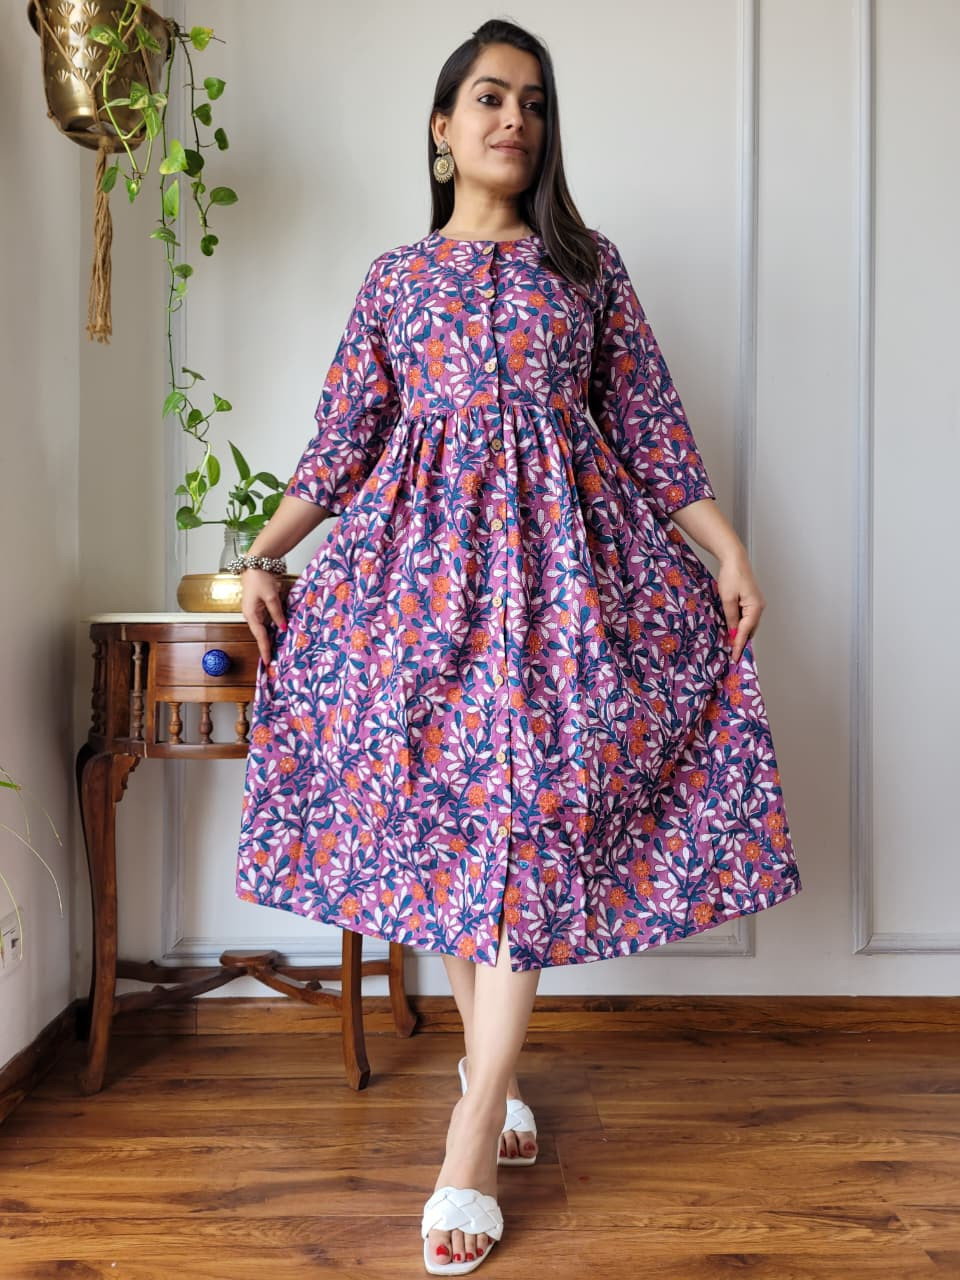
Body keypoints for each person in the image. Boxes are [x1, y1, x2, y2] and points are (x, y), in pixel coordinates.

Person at [233, 17, 803, 1275]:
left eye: (535, 104)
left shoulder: (589, 270)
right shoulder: (394, 281)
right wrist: (259, 556)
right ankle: (491, 1078)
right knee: (456, 821)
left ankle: (475, 1121)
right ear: (441, 132)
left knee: (527, 820)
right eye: (489, 98)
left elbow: (650, 426)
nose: (515, 120)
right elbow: (341, 443)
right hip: (418, 595)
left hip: (564, 593)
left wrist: (728, 549)